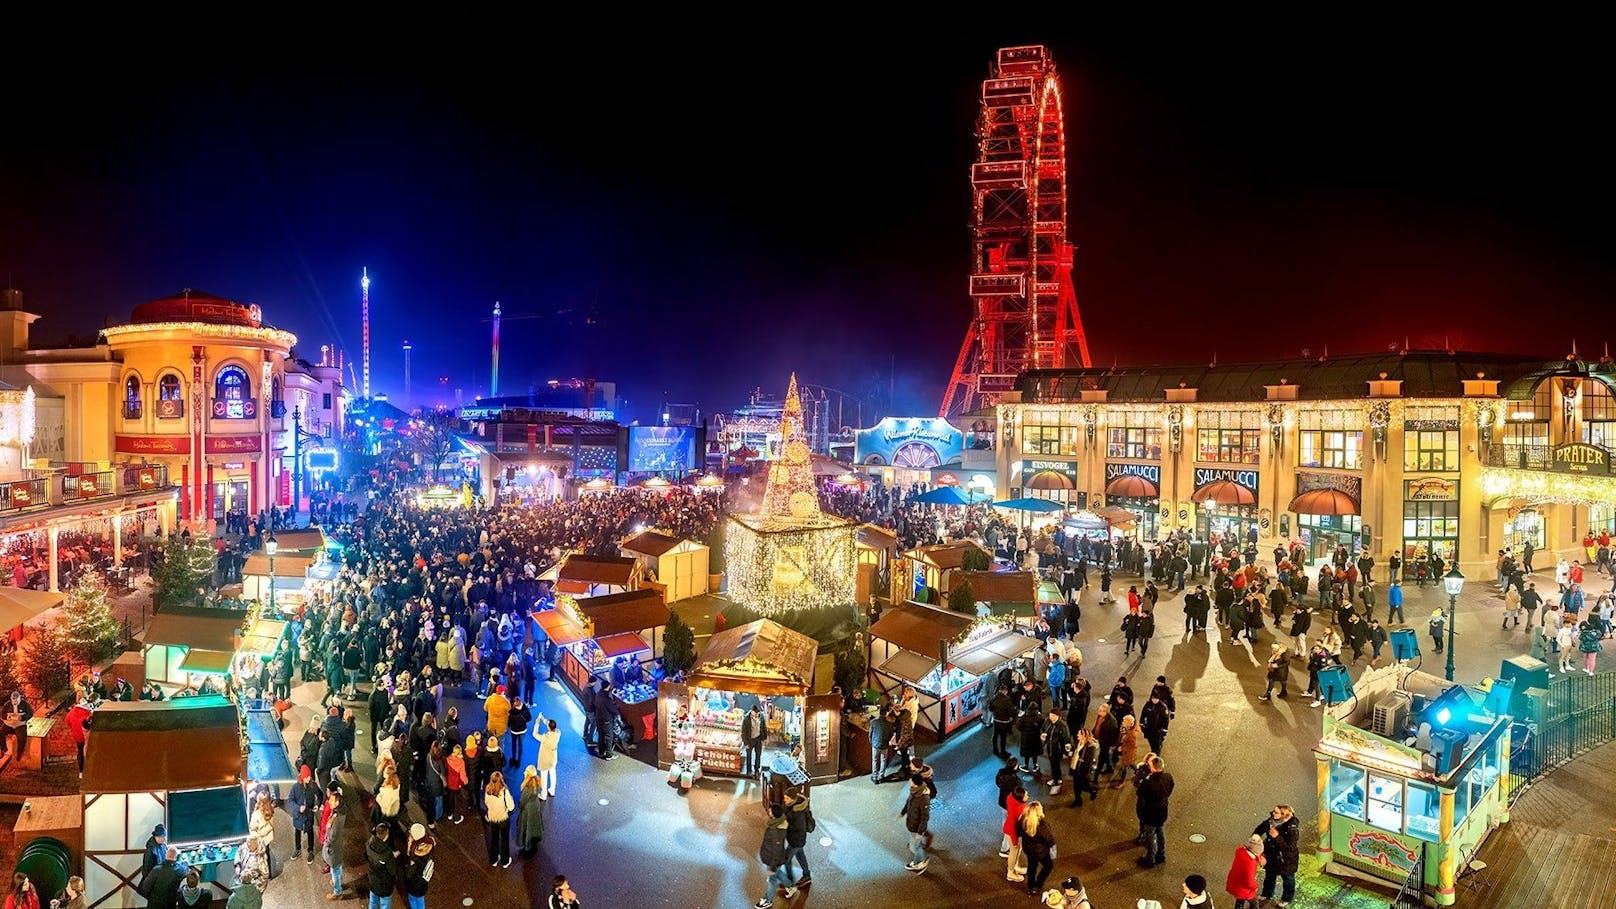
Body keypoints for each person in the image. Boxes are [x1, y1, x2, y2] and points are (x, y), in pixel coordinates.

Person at [1254, 804, 1299, 907]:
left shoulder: (1292, 830)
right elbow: (1260, 828)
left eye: (1276, 812)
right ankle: (1267, 894)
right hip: (1272, 856)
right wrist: (1255, 838)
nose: (1272, 813)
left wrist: (1277, 836)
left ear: (1284, 816)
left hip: (1286, 861)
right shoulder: (1271, 821)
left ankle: (1286, 898)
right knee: (1269, 876)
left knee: (1288, 880)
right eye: (1273, 811)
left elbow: (1289, 848)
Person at [1135, 754, 1174, 867]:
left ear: (1153, 767)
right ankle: (1161, 855)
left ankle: (1150, 859)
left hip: (1150, 813)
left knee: (1150, 835)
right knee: (1160, 831)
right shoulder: (1168, 777)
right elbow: (1171, 788)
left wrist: (1146, 780)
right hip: (1162, 810)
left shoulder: (1149, 782)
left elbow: (1140, 793)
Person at [1019, 801, 1057, 895]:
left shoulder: (1023, 820)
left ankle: (1030, 887)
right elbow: (1050, 840)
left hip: (1028, 850)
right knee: (1048, 866)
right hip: (1041, 852)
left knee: (1032, 867)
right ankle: (1038, 885)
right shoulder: (1042, 825)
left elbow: (1018, 832)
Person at [288, 765, 320, 863]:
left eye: (309, 776)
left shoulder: (313, 785)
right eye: (307, 777)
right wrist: (298, 808)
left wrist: (317, 805)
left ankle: (310, 850)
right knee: (297, 832)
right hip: (298, 817)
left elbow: (320, 795)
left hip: (308, 815)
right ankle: (297, 849)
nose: (309, 778)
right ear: (302, 777)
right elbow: (290, 800)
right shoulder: (295, 787)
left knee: (310, 832)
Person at [782, 789, 815, 888]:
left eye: (786, 798)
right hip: (797, 840)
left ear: (793, 799)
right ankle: (806, 875)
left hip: (796, 840)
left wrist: (785, 825)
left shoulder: (797, 812)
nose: (785, 800)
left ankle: (789, 881)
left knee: (786, 860)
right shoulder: (793, 806)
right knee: (800, 856)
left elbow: (799, 828)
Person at [900, 774, 931, 874]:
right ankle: (920, 856)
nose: (909, 781)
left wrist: (920, 832)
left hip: (916, 827)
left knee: (915, 847)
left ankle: (920, 862)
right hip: (912, 823)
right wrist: (903, 812)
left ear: (915, 782)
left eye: (911, 780)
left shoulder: (923, 798)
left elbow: (925, 817)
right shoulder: (914, 790)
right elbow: (908, 802)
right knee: (914, 844)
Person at [484, 771, 515, 868]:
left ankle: (494, 859)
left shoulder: (488, 790)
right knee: (504, 840)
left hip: (493, 818)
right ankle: (505, 861)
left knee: (494, 839)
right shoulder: (504, 791)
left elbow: (486, 803)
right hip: (503, 818)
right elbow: (511, 807)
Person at [320, 789, 347, 900]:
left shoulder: (337, 818)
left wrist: (327, 827)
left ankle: (337, 891)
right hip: (338, 846)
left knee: (334, 869)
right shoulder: (339, 811)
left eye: (332, 800)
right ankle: (338, 882)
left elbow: (332, 837)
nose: (329, 801)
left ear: (337, 802)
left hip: (333, 849)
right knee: (338, 866)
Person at [1226, 833, 1265, 909]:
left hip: (1236, 883)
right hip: (1244, 889)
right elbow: (1249, 882)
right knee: (1254, 902)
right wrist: (1255, 886)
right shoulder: (1251, 863)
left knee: (1240, 899)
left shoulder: (1240, 851)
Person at [1040, 709, 1074, 796]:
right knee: (1053, 765)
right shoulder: (1047, 722)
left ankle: (1057, 782)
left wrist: (1065, 753)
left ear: (1058, 716)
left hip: (1057, 750)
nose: (1051, 717)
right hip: (1050, 748)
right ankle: (1056, 779)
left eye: (1054, 716)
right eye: (1051, 715)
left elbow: (1067, 740)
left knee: (1055, 765)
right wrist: (1043, 735)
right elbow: (1044, 730)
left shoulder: (1063, 726)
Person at [365, 824, 397, 909]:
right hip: (384, 885)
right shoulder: (387, 853)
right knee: (385, 905)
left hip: (373, 880)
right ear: (386, 836)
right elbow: (392, 871)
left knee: (373, 902)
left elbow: (366, 857)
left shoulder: (369, 844)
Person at [516, 767, 545, 856]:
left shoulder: (527, 787)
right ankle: (534, 841)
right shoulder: (536, 782)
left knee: (527, 828)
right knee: (534, 826)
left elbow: (522, 801)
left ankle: (527, 846)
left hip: (527, 810)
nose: (524, 772)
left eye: (526, 771)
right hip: (535, 807)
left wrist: (519, 807)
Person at [401, 831, 434, 909]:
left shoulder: (414, 862)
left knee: (412, 900)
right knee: (420, 901)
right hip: (422, 886)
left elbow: (409, 875)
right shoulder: (427, 853)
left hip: (413, 887)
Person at [1002, 783, 1028, 881]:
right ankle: (1010, 872)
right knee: (1014, 851)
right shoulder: (1018, 809)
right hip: (1012, 831)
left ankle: (1014, 867)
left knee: (1017, 850)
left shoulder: (1011, 798)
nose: (1028, 797)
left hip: (1011, 829)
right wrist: (1014, 841)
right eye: (1026, 796)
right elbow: (1013, 826)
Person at [534, 717, 561, 799]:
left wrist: (538, 722)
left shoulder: (545, 738)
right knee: (553, 774)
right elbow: (551, 726)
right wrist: (544, 720)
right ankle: (552, 790)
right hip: (553, 758)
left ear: (548, 727)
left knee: (544, 777)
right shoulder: (558, 733)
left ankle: (543, 794)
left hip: (545, 760)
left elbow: (535, 734)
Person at [741, 702, 767, 777]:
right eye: (755, 713)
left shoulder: (761, 716)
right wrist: (745, 743)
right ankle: (749, 771)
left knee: (758, 755)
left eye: (758, 712)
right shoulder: (746, 719)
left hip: (758, 739)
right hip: (750, 740)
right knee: (749, 756)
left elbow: (764, 727)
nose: (756, 714)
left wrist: (764, 738)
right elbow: (743, 732)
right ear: (751, 711)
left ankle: (756, 770)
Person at [506, 697, 531, 767]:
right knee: (521, 745)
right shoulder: (525, 708)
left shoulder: (512, 712)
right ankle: (519, 761)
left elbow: (509, 724)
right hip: (523, 730)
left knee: (514, 745)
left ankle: (513, 759)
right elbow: (529, 718)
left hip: (514, 731)